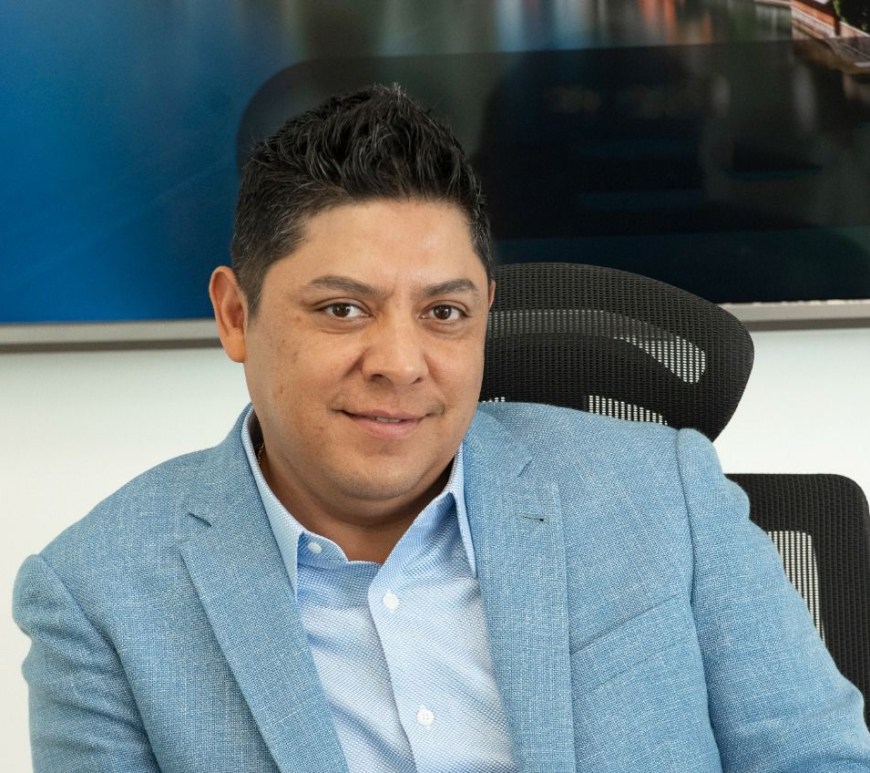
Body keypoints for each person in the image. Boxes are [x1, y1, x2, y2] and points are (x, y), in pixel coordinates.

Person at [13, 84, 870, 773]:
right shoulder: (99, 597)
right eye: (342, 308)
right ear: (237, 316)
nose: (401, 362)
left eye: (444, 312)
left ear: (485, 313)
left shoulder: (663, 494)